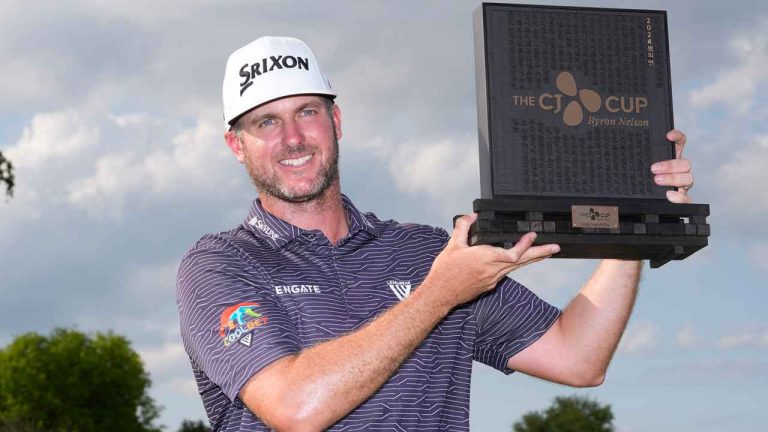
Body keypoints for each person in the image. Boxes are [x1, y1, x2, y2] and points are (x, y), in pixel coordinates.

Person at [176, 36, 695, 431]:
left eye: (306, 112)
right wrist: (439, 295)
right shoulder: (218, 266)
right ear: (236, 145)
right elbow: (296, 408)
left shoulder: (428, 252)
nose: (292, 138)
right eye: (265, 123)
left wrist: (635, 217)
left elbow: (578, 358)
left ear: (336, 121)